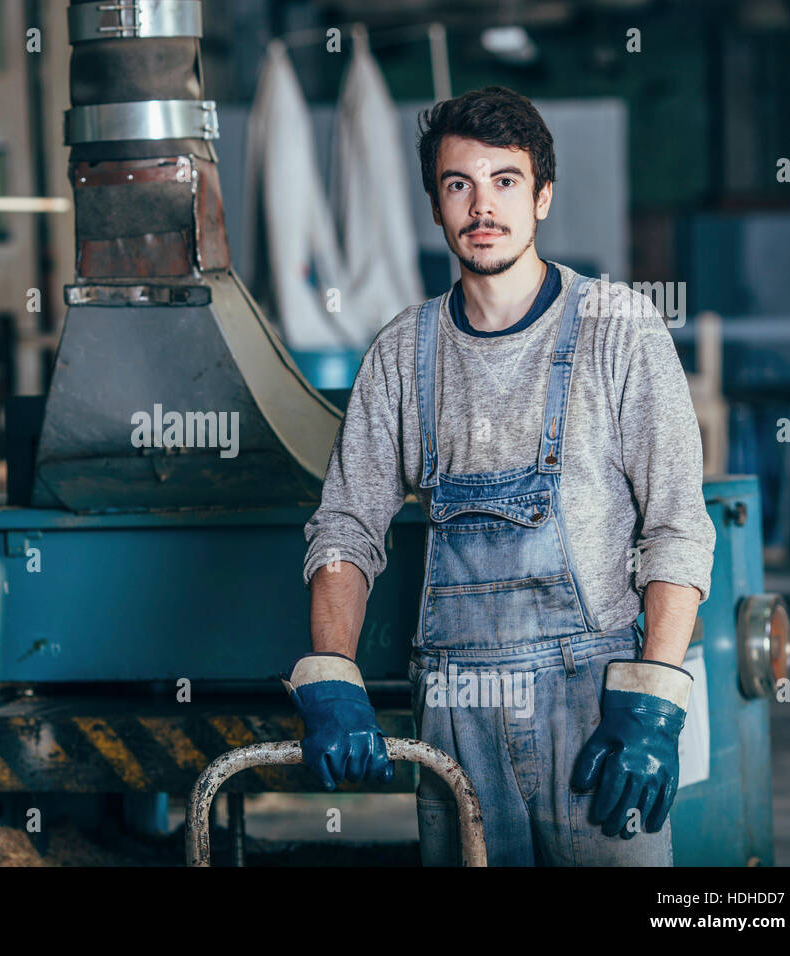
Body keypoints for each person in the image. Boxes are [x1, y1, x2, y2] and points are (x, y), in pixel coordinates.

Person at [283, 86, 715, 866]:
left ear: (542, 194)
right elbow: (347, 524)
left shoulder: (619, 329)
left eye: (505, 181)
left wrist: (652, 702)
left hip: (596, 711)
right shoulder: (401, 354)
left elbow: (678, 525)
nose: (483, 206)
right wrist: (333, 673)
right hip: (455, 716)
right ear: (435, 203)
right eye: (459, 184)